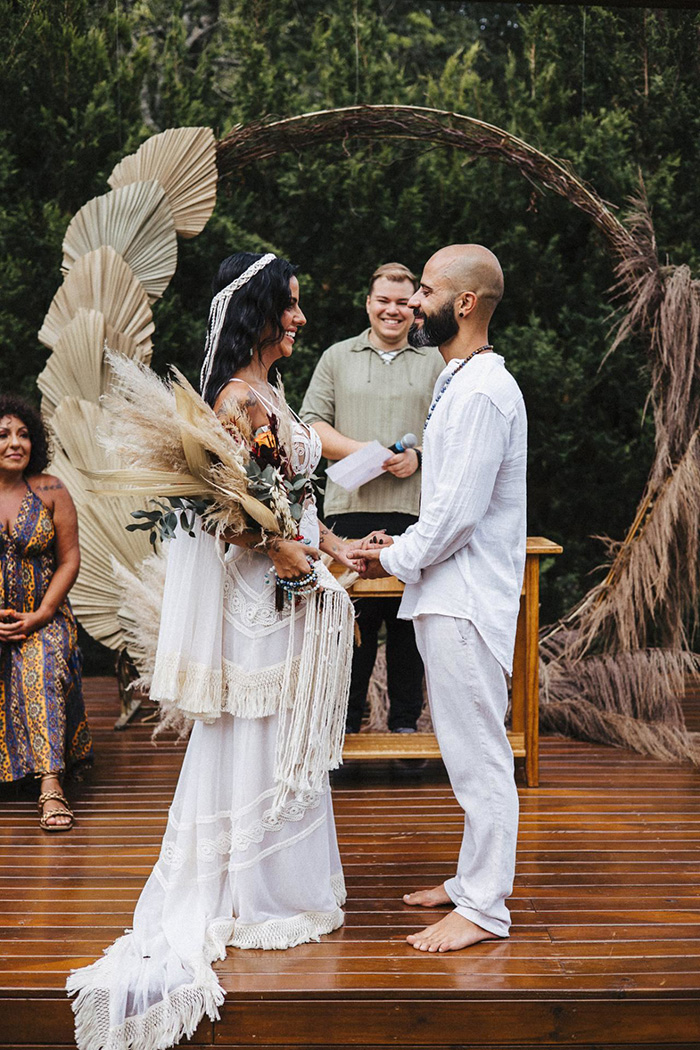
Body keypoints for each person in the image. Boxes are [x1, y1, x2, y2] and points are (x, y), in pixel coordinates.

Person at [68, 252, 369, 1050]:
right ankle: (246, 893)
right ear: (257, 313)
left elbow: (289, 499)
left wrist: (336, 545)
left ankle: (277, 884)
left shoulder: (270, 392)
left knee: (282, 730)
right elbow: (222, 513)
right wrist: (279, 550)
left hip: (287, 587)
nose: (300, 318)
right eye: (289, 306)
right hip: (257, 602)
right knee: (254, 729)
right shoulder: (235, 399)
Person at [349, 244, 527, 952]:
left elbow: (456, 518)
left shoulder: (482, 391)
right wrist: (403, 541)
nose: (414, 303)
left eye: (424, 291)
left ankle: (484, 908)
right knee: (463, 750)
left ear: (465, 302)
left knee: (480, 756)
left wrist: (393, 556)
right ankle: (469, 880)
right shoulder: (460, 379)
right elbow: (446, 506)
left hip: (466, 599)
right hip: (446, 593)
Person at [300, 263, 443, 735]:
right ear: (368, 303)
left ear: (415, 307)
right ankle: (342, 731)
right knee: (349, 625)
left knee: (408, 626)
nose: (393, 310)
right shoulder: (336, 357)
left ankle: (405, 729)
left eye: (403, 302)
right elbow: (311, 426)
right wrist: (364, 450)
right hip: (347, 515)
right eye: (383, 300)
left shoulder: (435, 361)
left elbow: (451, 432)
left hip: (413, 512)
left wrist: (419, 457)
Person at [0, 396, 91, 831]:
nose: (15, 443)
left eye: (23, 434)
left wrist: (41, 614)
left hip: (45, 617)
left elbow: (69, 559)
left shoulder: (50, 489)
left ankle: (50, 785)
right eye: (3, 435)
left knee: (38, 663)